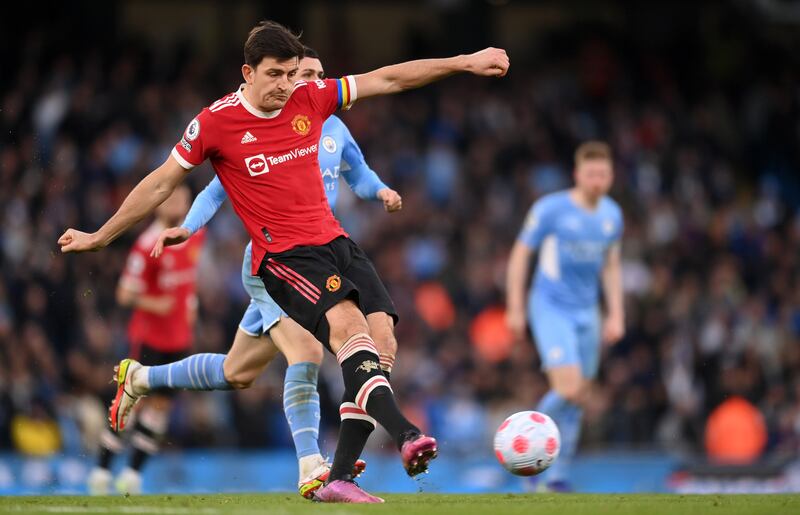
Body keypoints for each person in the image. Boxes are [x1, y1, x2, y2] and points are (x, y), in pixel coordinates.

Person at [59, 20, 509, 503]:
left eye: (294, 73)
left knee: (343, 349)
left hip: (336, 243)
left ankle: (142, 377)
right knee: (332, 340)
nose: (288, 85)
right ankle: (367, 448)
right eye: (277, 74)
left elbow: (388, 78)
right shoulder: (215, 122)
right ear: (247, 72)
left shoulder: (309, 100)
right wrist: (103, 235)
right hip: (281, 258)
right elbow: (162, 181)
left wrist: (463, 62)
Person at [111, 48, 403, 499]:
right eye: (297, 75)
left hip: (322, 253)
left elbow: (359, 175)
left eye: (313, 76)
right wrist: (187, 226)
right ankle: (313, 465)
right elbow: (214, 190)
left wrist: (381, 191)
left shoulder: (334, 128)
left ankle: (141, 378)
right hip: (278, 261)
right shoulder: (262, 127)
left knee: (237, 370)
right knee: (309, 348)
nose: (301, 84)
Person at [505, 141, 625, 492]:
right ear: (577, 174)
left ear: (611, 175)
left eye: (603, 174)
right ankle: (522, 450)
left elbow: (612, 266)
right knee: (569, 387)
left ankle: (558, 477)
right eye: (591, 174)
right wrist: (515, 308)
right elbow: (520, 255)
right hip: (550, 306)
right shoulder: (551, 209)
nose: (597, 181)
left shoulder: (612, 215)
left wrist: (616, 314)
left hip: (588, 312)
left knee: (579, 396)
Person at [87, 186, 204, 495]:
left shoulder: (194, 235)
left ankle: (131, 475)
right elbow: (124, 294)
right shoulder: (147, 244)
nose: (179, 203)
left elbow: (188, 278)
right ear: (158, 205)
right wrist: (156, 304)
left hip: (179, 338)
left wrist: (189, 305)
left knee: (160, 410)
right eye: (173, 198)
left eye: (183, 198)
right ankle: (100, 471)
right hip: (149, 338)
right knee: (131, 404)